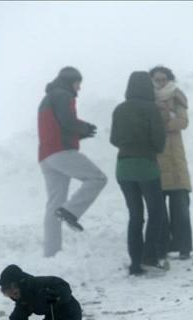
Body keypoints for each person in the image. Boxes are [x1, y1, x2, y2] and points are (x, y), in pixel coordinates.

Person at [38, 66, 108, 257]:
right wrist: (84, 128)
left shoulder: (48, 98)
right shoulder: (63, 95)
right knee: (98, 178)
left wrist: (82, 133)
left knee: (54, 205)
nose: (79, 88)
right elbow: (68, 122)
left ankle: (51, 254)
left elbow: (58, 127)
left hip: (46, 156)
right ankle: (71, 211)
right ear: (70, 81)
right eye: (78, 83)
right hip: (60, 152)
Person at [110, 71, 168, 275]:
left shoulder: (119, 109)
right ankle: (150, 257)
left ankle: (135, 264)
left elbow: (114, 139)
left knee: (135, 216)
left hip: (123, 168)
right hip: (146, 166)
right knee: (156, 212)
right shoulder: (151, 109)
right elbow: (160, 142)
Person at [150, 66, 193, 260]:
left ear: (169, 79)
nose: (160, 83)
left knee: (181, 206)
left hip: (175, 159)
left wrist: (164, 121)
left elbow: (182, 122)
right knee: (159, 209)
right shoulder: (147, 99)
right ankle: (163, 247)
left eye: (163, 79)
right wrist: (169, 118)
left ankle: (184, 247)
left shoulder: (177, 96)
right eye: (156, 79)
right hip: (156, 158)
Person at [0, 264, 82, 320]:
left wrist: (57, 296)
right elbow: (19, 315)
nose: (14, 297)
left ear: (21, 284)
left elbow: (65, 289)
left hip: (70, 312)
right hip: (51, 316)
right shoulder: (23, 299)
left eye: (15, 293)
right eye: (10, 295)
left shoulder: (39, 285)